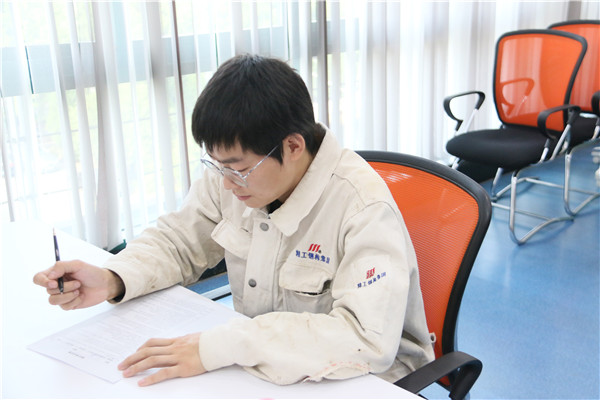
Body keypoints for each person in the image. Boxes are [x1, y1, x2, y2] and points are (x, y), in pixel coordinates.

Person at [33, 54, 434, 387]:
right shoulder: (236, 175)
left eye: (238, 169)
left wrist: (226, 345)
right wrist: (114, 277)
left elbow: (364, 339)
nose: (226, 183)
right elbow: (178, 240)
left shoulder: (362, 207)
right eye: (216, 165)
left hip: (367, 379)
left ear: (293, 146)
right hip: (266, 364)